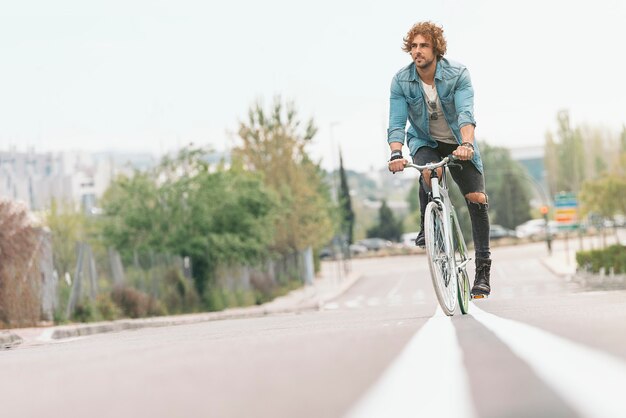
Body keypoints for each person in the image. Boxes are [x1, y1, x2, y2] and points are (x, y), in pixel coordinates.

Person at [386, 21, 491, 297]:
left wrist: (467, 143)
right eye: (414, 46)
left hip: (458, 143)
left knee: (477, 199)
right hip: (424, 140)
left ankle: (482, 271)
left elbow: (466, 114)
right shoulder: (401, 80)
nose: (417, 51)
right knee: (429, 171)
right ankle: (428, 225)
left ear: (436, 49)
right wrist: (396, 152)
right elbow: (396, 122)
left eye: (424, 46)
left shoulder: (457, 74)